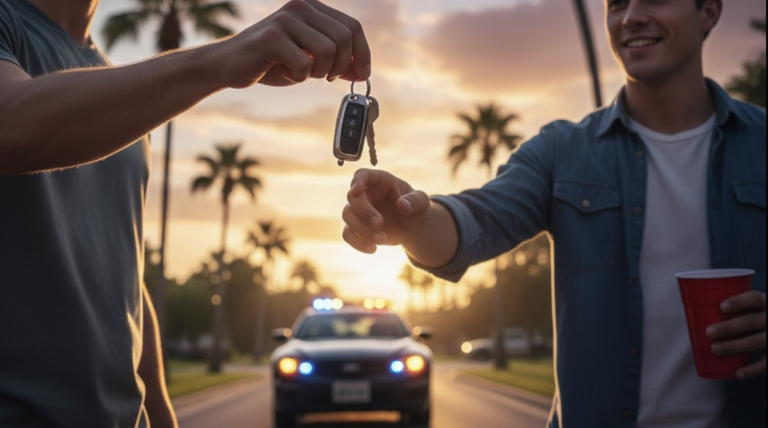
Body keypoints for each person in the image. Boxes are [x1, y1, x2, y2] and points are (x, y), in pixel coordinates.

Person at [342, 0, 765, 426]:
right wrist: (413, 222)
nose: (631, 16)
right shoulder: (562, 152)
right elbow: (479, 219)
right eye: (617, 3)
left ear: (708, 12)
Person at [0, 0, 370, 426]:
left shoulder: (106, 76)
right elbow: (9, 125)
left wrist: (159, 411)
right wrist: (220, 61)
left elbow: (123, 275)